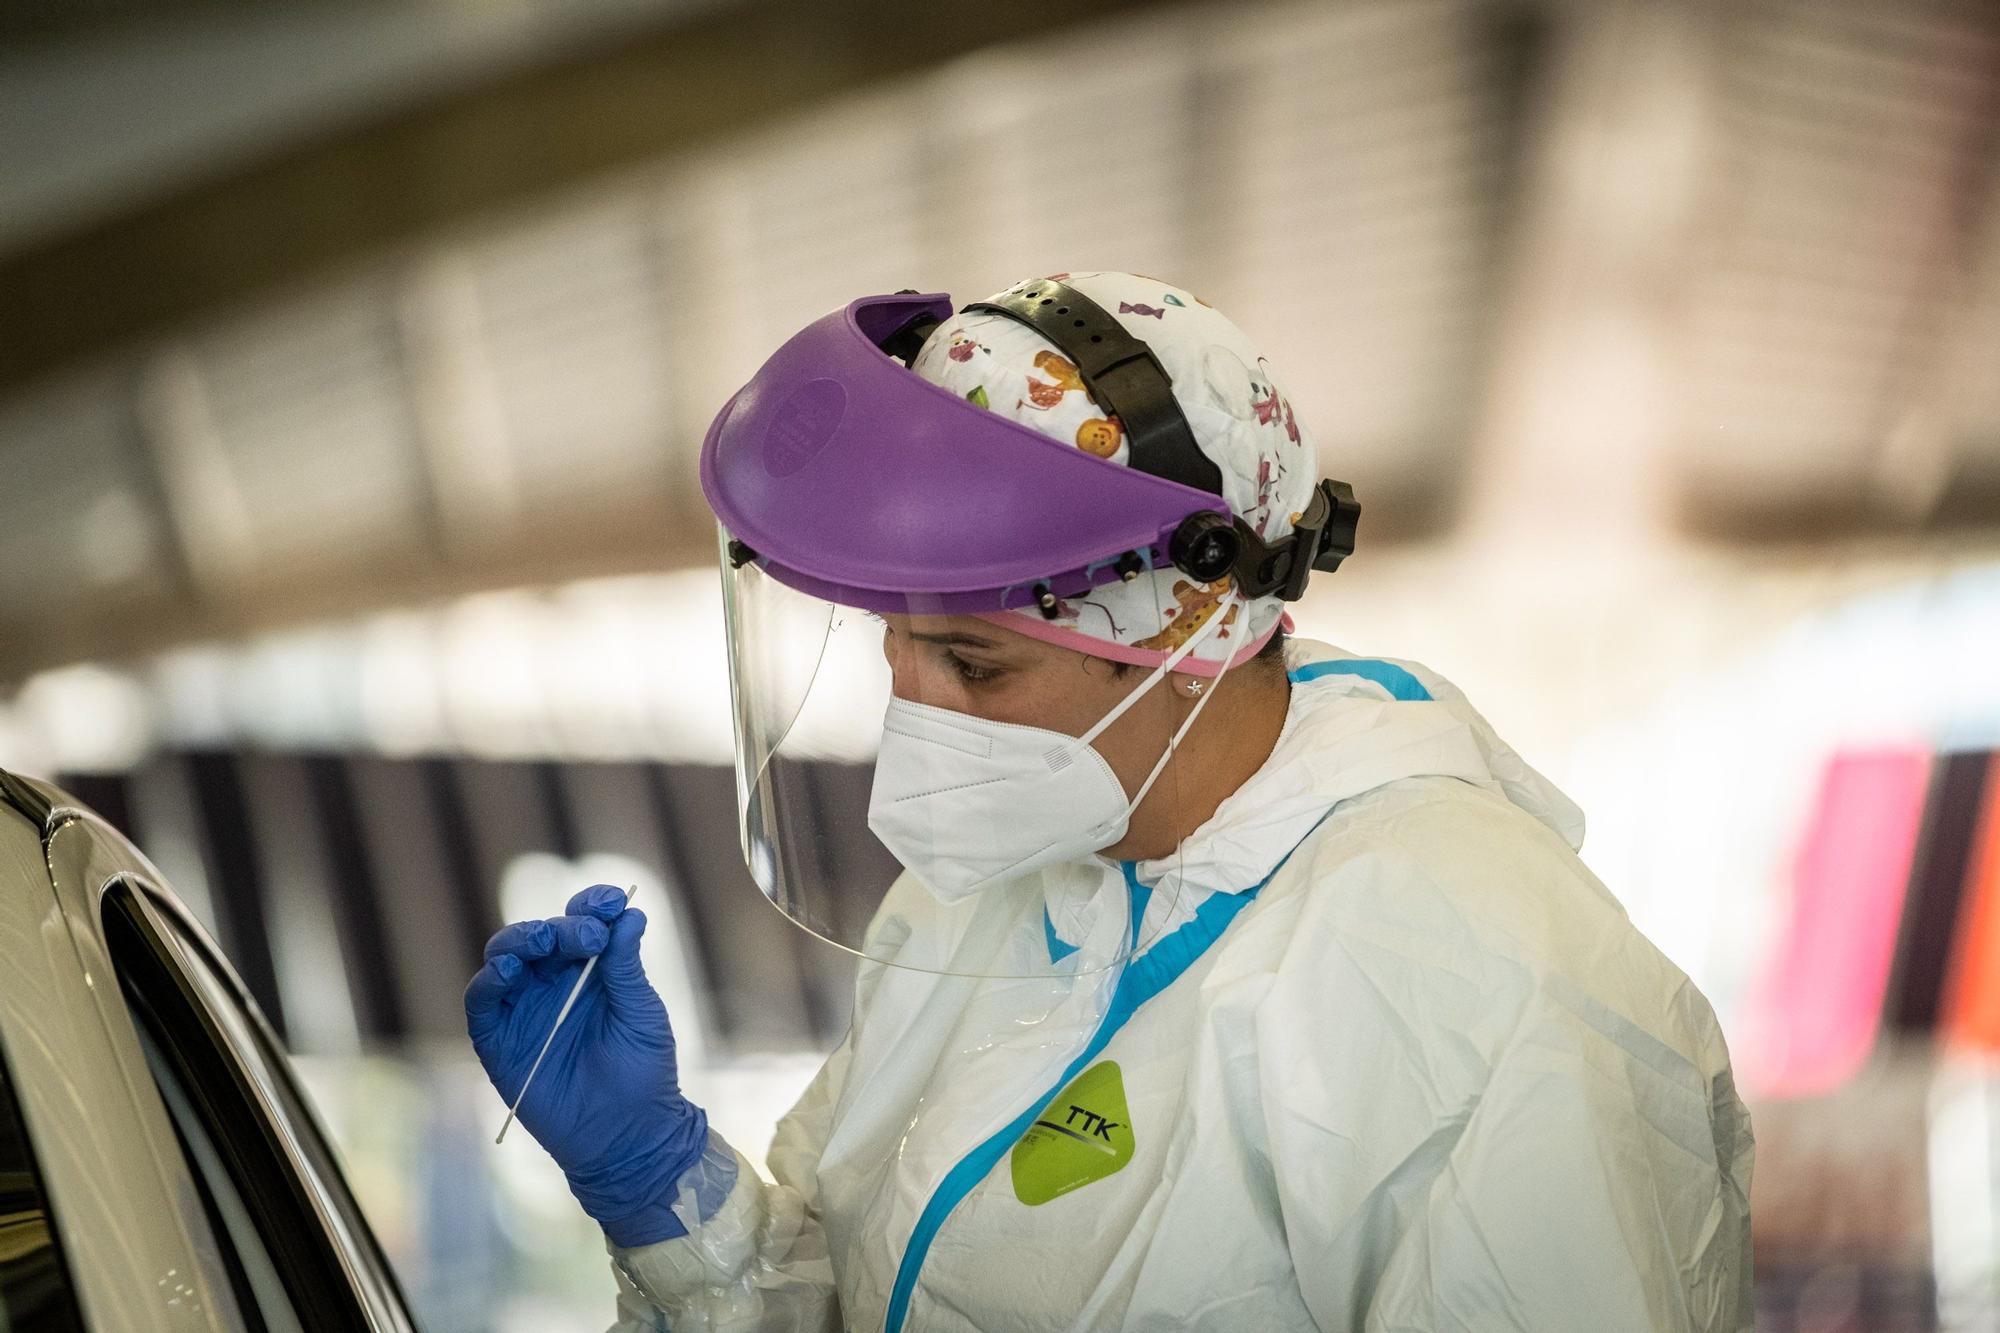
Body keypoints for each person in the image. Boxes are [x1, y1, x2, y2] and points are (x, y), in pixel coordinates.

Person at [465, 271, 1753, 1331]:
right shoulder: (991, 898)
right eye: (890, 646)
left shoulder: (1468, 973)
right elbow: (866, 1295)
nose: (914, 714)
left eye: (973, 662)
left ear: (1185, 627)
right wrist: (662, 1190)